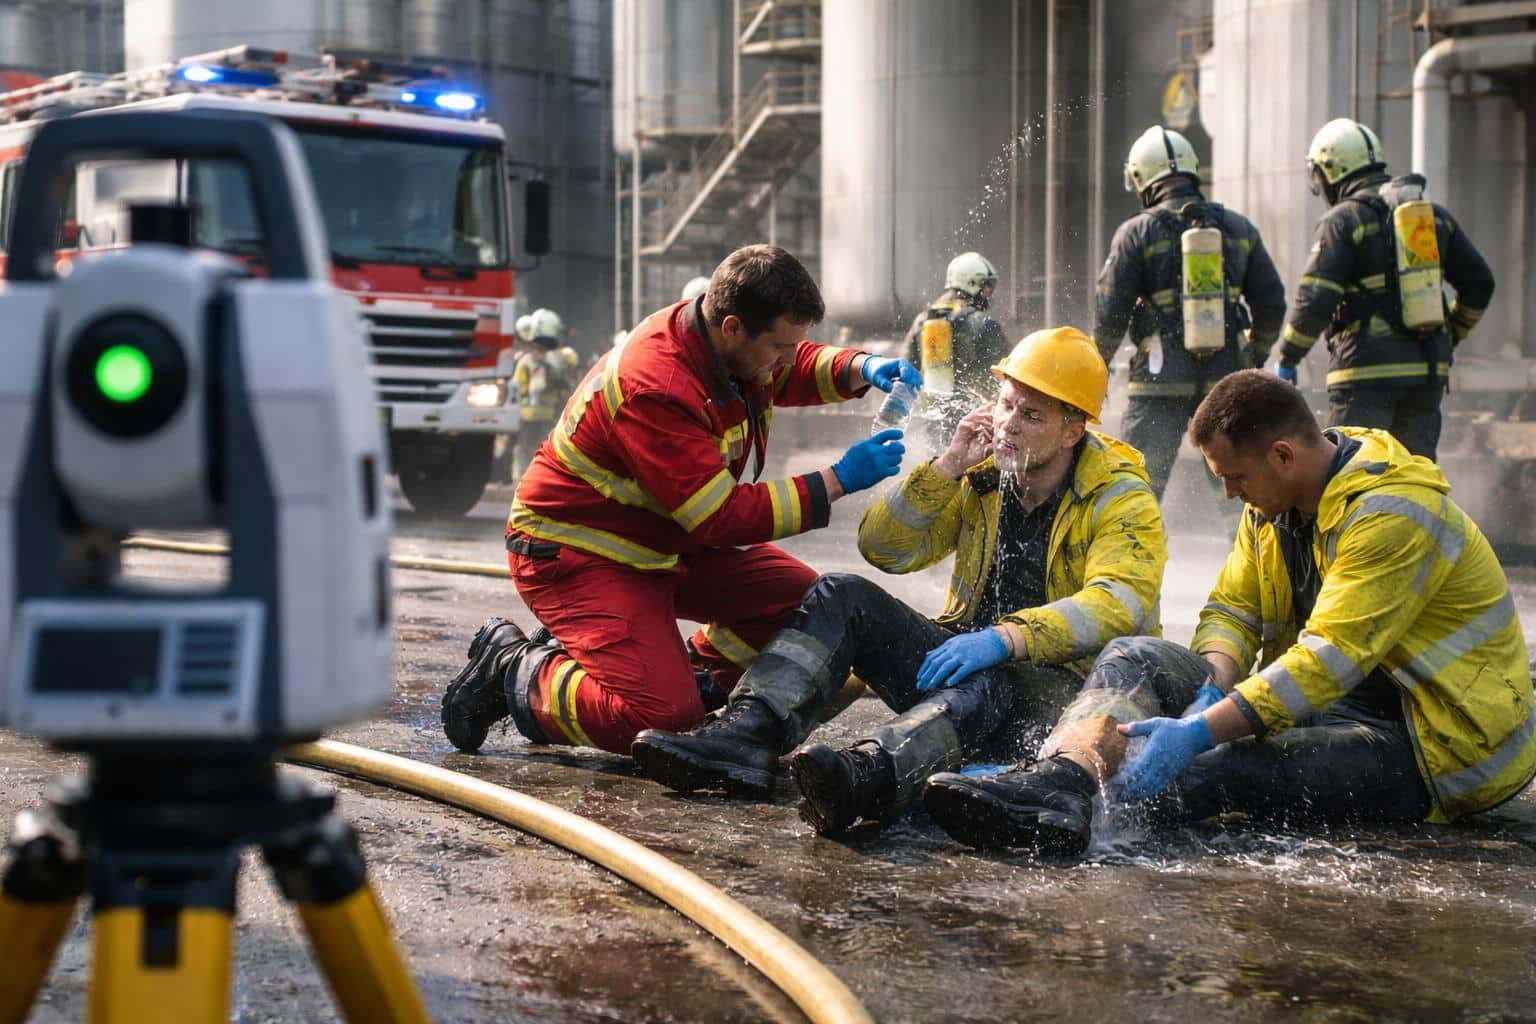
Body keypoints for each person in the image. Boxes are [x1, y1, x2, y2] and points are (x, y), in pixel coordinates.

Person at [924, 369, 1536, 860]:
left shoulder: (1392, 515)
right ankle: (1061, 778)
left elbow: (1327, 660)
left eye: (1235, 478)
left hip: (1433, 745)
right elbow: (1233, 610)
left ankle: (1069, 816)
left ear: (1282, 454)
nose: (1229, 494)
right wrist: (1212, 685)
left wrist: (1200, 731)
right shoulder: (1274, 499)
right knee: (1132, 653)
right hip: (1340, 705)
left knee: (1222, 765)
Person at [630, 327, 1167, 836]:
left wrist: (1005, 639)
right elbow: (884, 549)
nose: (1007, 424)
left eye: (1030, 414)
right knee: (845, 592)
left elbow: (1117, 602)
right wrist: (948, 466)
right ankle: (747, 736)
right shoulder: (982, 475)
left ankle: (869, 777)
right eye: (1005, 404)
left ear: (1074, 430)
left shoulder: (1120, 497)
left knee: (990, 680)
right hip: (963, 667)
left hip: (1054, 698)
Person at [440, 244, 920, 755]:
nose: (784, 359)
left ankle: (690, 678)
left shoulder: (727, 350)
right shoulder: (657, 385)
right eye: (778, 345)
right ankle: (517, 669)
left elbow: (790, 363)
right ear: (733, 327)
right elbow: (721, 518)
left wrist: (861, 368)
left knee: (808, 609)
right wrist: (837, 479)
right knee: (659, 718)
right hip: (580, 553)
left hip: (665, 539)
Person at [1273, 118, 1495, 460]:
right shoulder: (1432, 217)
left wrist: (1288, 357)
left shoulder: (1342, 221)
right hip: (1426, 372)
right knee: (1414, 475)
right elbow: (1480, 284)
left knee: (1355, 476)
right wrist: (1451, 335)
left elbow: (1316, 299)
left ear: (1334, 169)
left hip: (1362, 374)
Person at [1095, 126, 1286, 500]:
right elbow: (1272, 303)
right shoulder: (1239, 229)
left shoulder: (1136, 233)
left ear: (1141, 178)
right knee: (1245, 497)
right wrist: (1253, 357)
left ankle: (1135, 557)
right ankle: (1257, 556)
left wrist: (1096, 368)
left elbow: (1110, 313)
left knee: (1136, 493)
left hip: (1157, 383)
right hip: (1226, 385)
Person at [900, 252, 1009, 449]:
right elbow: (1006, 374)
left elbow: (907, 366)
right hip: (974, 416)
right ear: (972, 284)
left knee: (941, 465)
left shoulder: (924, 320)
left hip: (935, 414)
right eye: (987, 285)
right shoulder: (983, 323)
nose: (989, 292)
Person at [510, 308, 582, 481]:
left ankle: (522, 480)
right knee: (548, 450)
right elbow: (569, 385)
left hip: (527, 416)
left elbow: (517, 387)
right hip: (552, 416)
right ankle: (542, 480)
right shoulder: (564, 358)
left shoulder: (525, 360)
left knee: (525, 449)